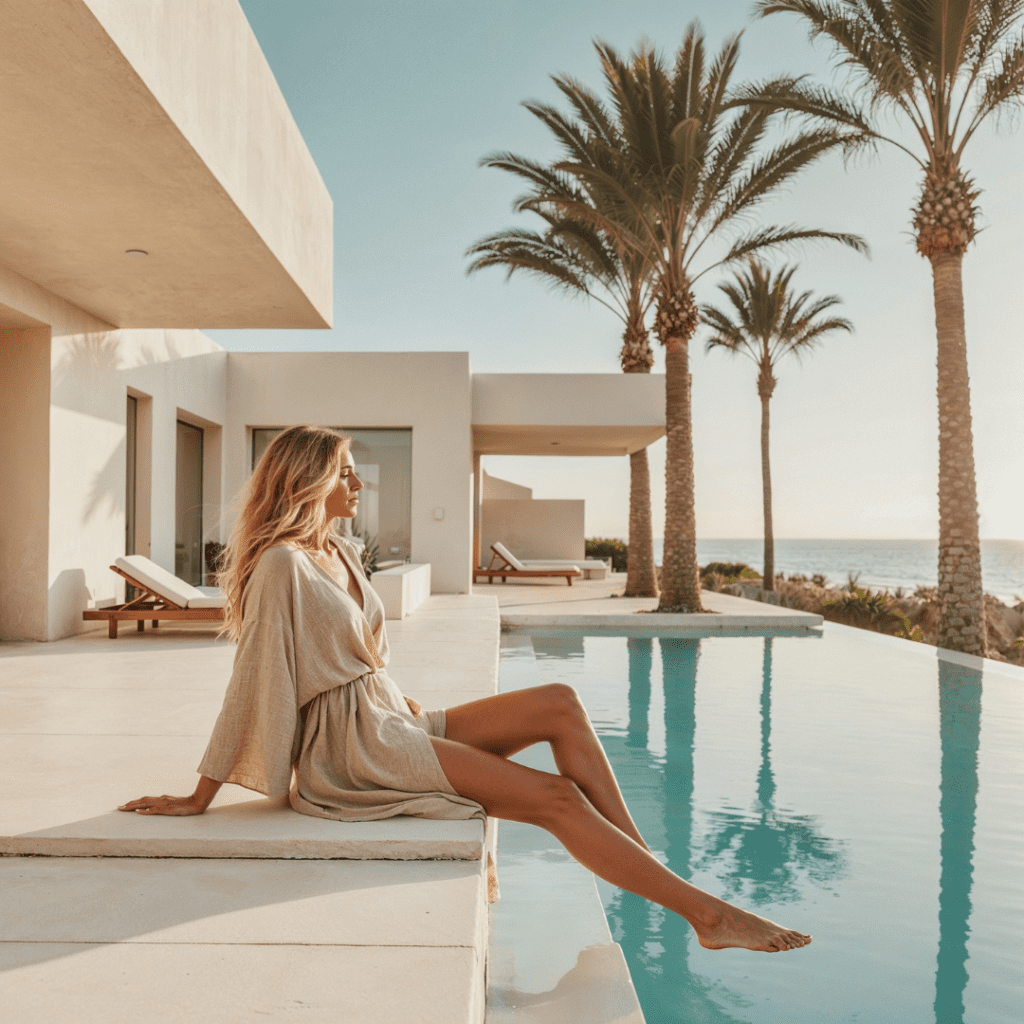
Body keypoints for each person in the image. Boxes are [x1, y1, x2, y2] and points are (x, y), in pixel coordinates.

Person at [120, 425, 811, 953]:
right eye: (347, 475)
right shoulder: (281, 565)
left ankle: (645, 867)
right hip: (354, 747)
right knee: (554, 797)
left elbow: (362, 656)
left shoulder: (338, 550)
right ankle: (705, 915)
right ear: (309, 480)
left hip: (391, 718)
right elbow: (256, 679)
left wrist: (407, 704)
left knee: (560, 703)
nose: (359, 488)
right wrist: (200, 792)